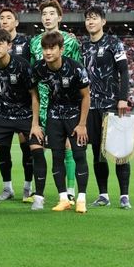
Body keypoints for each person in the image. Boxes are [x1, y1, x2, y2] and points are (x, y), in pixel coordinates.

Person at [0, 29, 45, 208]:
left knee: (36, 151)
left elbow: (34, 96)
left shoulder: (22, 65)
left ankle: (38, 198)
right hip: (2, 115)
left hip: (25, 114)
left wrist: (35, 124)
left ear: (9, 45)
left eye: (0, 44)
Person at [31, 32, 90, 213]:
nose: (48, 52)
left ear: (61, 49)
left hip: (74, 116)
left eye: (52, 48)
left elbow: (86, 96)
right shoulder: (39, 68)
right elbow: (34, 96)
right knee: (57, 157)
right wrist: (35, 123)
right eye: (45, 48)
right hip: (54, 116)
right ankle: (63, 198)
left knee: (79, 155)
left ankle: (81, 198)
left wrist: (82, 124)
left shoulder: (75, 68)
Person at [29, 0, 82, 201]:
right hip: (42, 101)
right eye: (44, 14)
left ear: (59, 17)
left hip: (66, 101)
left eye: (51, 13)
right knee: (38, 145)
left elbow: (79, 70)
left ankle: (70, 191)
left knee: (68, 146)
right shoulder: (34, 42)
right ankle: (38, 190)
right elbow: (33, 73)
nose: (47, 17)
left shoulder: (70, 41)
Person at [82, 7, 132, 209]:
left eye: (94, 18)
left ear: (103, 21)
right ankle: (103, 195)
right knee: (97, 152)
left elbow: (124, 71)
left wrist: (122, 98)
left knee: (120, 152)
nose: (90, 21)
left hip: (111, 105)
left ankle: (124, 196)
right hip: (91, 107)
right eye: (87, 18)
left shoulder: (114, 43)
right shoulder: (83, 47)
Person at [0, 7, 34, 202]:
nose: (4, 21)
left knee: (26, 147)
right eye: (1, 18)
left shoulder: (27, 43)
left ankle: (28, 186)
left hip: (24, 105)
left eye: (8, 18)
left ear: (16, 22)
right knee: (2, 148)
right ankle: (7, 187)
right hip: (2, 104)